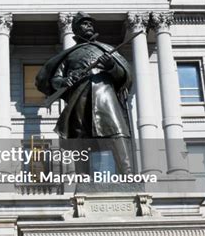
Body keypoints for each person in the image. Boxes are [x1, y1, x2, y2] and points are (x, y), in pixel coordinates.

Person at [35, 12, 133, 174]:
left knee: (116, 132)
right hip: (79, 100)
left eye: (90, 23)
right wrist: (65, 80)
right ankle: (83, 178)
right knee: (81, 140)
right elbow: (55, 79)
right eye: (84, 23)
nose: (89, 25)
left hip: (104, 97)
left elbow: (124, 77)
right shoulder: (70, 55)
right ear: (75, 29)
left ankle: (127, 173)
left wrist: (111, 66)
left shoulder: (105, 49)